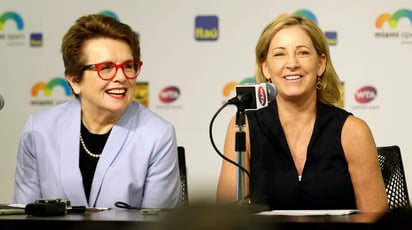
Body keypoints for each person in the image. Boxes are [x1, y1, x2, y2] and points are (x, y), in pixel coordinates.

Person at [216, 14, 388, 213]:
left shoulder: (352, 130)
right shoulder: (243, 126)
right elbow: (226, 219)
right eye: (280, 54)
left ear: (321, 64)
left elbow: (377, 221)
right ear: (266, 67)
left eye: (303, 53)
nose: (292, 63)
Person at [12, 14, 181, 209]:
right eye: (106, 68)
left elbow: (158, 223)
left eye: (128, 66)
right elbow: (23, 216)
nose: (121, 77)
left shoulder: (157, 134)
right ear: (75, 80)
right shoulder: (39, 129)